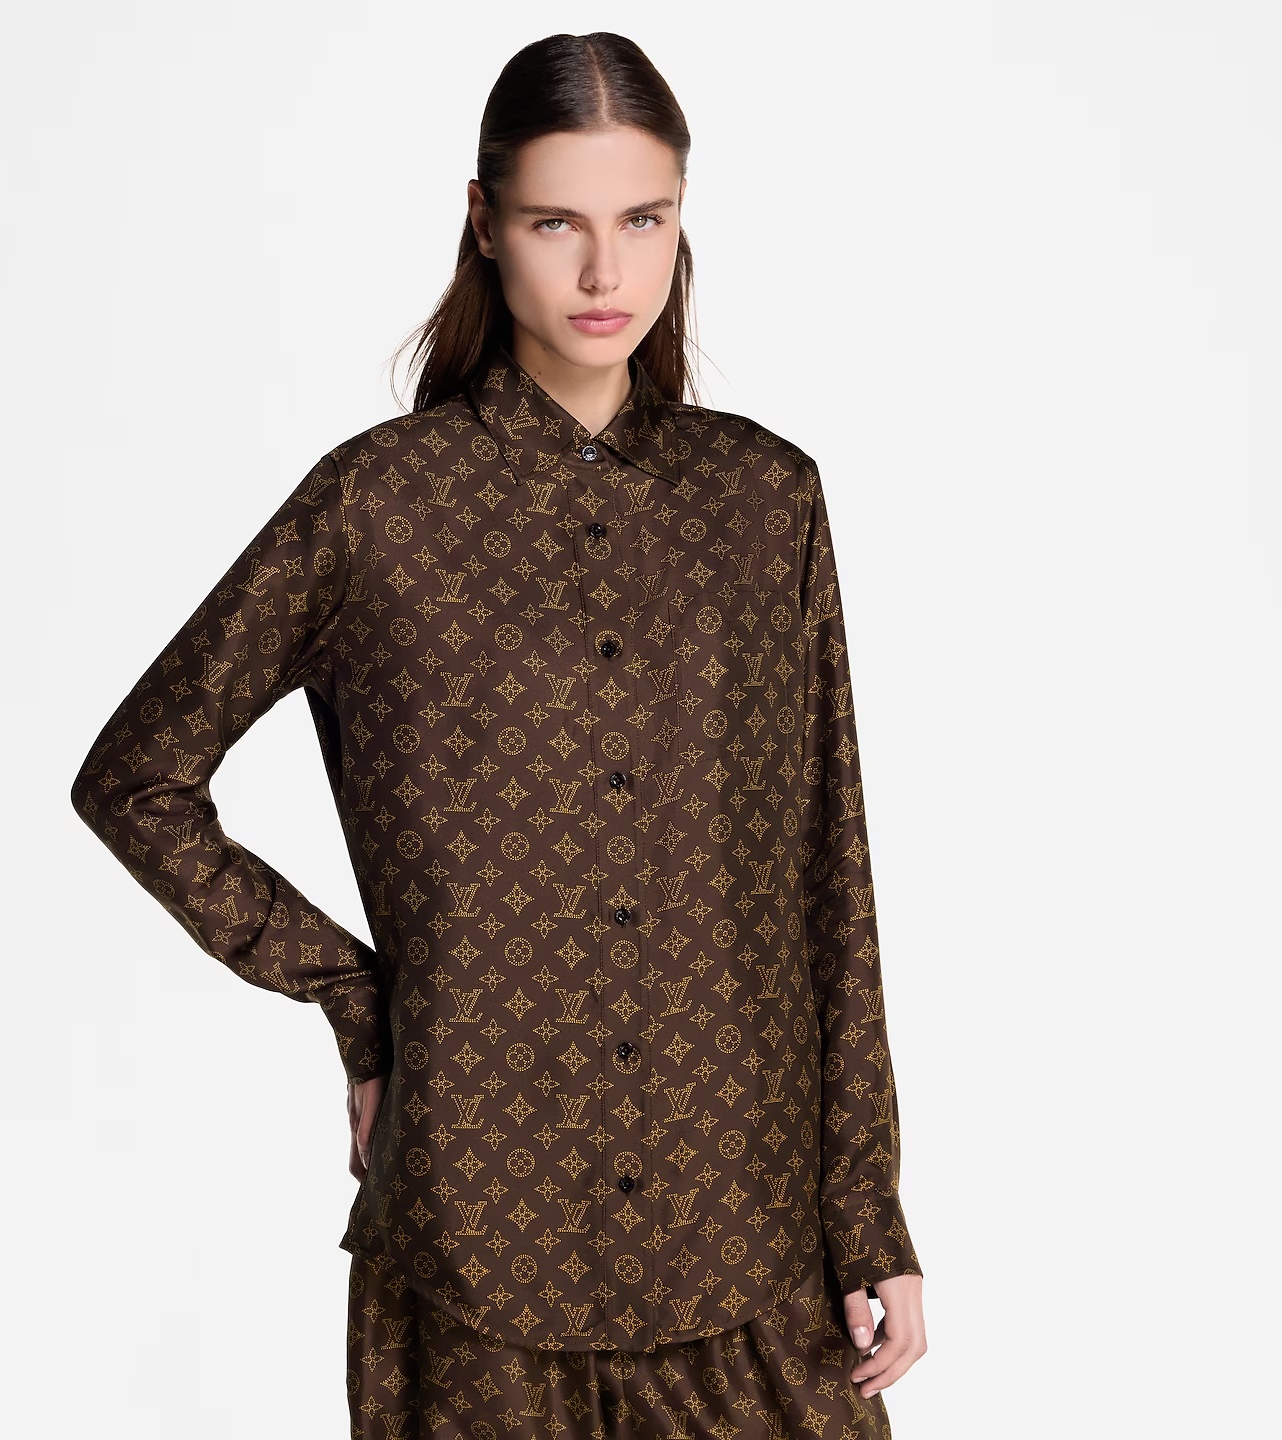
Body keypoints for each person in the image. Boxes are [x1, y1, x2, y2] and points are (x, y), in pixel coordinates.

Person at [70, 30, 928, 1439]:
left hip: (751, 1237)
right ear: (483, 223)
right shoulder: (377, 507)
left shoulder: (766, 499)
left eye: (642, 219)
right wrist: (355, 996)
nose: (604, 274)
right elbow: (137, 779)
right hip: (474, 1256)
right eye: (555, 224)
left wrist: (869, 1212)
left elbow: (829, 872)